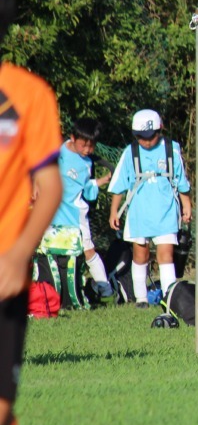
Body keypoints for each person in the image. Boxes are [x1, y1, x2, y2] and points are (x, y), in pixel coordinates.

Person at [0, 0, 63, 425]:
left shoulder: (29, 94)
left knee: (1, 414)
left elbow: (50, 185)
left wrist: (20, 254)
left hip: (6, 271)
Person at [108, 109, 192, 307]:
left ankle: (170, 297)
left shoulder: (171, 149)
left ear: (160, 129)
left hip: (166, 211)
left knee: (166, 254)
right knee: (140, 254)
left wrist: (186, 205)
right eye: (141, 137)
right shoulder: (130, 152)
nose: (146, 142)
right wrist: (114, 211)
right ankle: (141, 298)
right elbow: (119, 184)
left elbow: (181, 180)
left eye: (150, 136)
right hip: (139, 212)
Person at [47, 118, 112, 297]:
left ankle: (106, 290)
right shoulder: (57, 152)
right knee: (49, 250)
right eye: (83, 145)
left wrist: (102, 181)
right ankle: (49, 290)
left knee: (88, 250)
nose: (87, 150)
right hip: (53, 212)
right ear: (73, 137)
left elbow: (87, 190)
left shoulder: (87, 163)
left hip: (76, 215)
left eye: (91, 146)